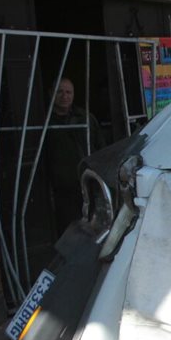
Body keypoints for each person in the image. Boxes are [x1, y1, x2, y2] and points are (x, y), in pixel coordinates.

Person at [44, 77, 104, 232]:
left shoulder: (85, 118)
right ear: (51, 94)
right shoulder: (44, 122)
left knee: (92, 226)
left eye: (68, 92)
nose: (65, 96)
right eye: (60, 92)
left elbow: (101, 147)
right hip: (62, 188)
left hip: (88, 182)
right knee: (69, 228)